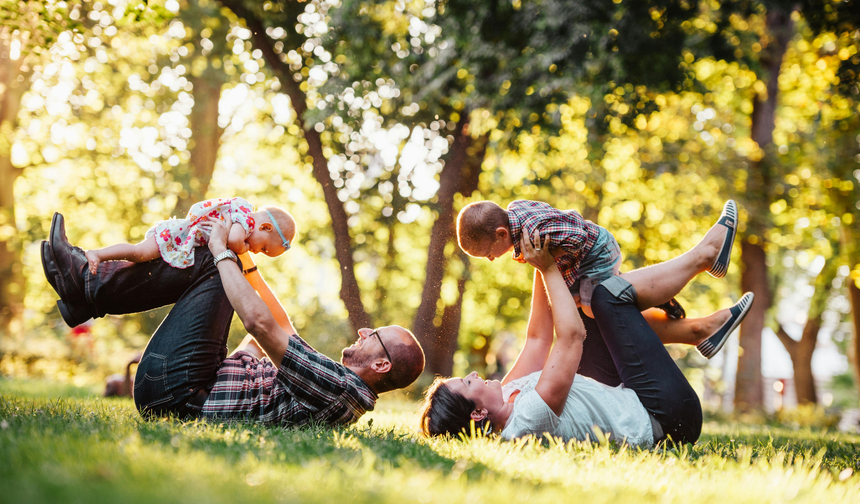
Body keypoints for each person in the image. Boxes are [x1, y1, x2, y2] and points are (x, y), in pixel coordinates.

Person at [41, 212, 425, 426]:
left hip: (178, 394)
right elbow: (281, 326)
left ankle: (87, 285)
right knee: (222, 262)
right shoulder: (335, 383)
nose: (363, 330)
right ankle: (84, 292)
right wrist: (247, 264)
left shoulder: (341, 389)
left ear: (381, 363)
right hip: (180, 385)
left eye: (373, 334)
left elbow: (260, 325)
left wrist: (224, 251)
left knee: (213, 259)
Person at [420, 225, 753, 446]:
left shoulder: (507, 394)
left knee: (584, 300)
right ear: (477, 413)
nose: (474, 374)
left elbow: (538, 338)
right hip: (667, 418)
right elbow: (571, 339)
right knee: (607, 297)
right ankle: (704, 257)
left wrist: (541, 258)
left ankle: (697, 331)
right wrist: (551, 268)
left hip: (630, 394)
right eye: (467, 382)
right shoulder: (525, 421)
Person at [456, 199, 738, 359]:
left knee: (596, 307)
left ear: (501, 234)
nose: (492, 259)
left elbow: (576, 233)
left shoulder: (534, 235)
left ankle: (678, 276)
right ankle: (689, 325)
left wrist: (556, 265)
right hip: (586, 259)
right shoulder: (516, 214)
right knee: (592, 310)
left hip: (596, 251)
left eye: (488, 253)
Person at [84, 196, 297, 274]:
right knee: (138, 252)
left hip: (181, 235)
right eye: (264, 248)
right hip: (178, 235)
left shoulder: (243, 218)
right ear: (265, 227)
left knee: (141, 263)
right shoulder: (246, 219)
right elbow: (232, 241)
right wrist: (244, 248)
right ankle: (98, 255)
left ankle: (102, 264)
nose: (257, 251)